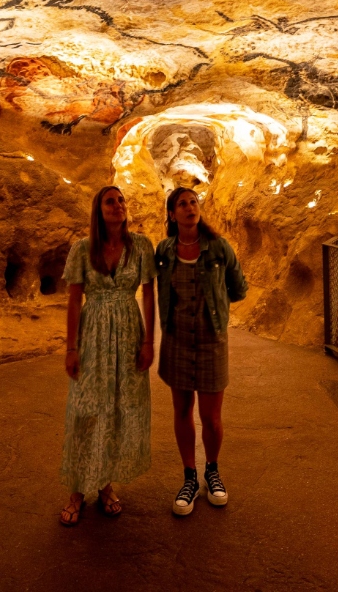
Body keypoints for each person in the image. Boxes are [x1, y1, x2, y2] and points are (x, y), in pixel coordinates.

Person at [59, 185, 156, 526]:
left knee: (118, 409)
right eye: (110, 201)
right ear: (98, 211)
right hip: (94, 334)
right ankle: (76, 489)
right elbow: (73, 300)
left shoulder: (141, 246)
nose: (118, 205)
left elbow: (148, 294)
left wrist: (148, 343)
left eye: (121, 200)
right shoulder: (83, 249)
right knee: (86, 410)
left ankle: (104, 484)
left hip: (129, 333)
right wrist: (71, 348)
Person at [155, 186, 248, 516]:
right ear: (172, 214)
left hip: (211, 342)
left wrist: (216, 310)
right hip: (177, 341)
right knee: (182, 411)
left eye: (193, 202)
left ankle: (212, 471)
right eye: (182, 204)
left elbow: (239, 288)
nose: (190, 207)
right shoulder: (165, 250)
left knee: (210, 415)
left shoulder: (219, 248)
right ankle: (189, 477)